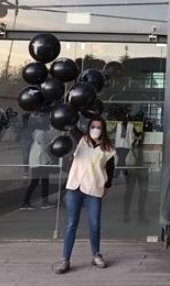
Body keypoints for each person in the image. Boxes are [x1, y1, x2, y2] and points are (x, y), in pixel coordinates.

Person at [53, 117, 116, 275]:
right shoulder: (80, 140)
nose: (96, 129)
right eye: (93, 126)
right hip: (75, 187)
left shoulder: (108, 149)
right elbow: (70, 121)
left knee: (94, 224)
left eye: (99, 127)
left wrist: (106, 186)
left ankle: (96, 255)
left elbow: (110, 170)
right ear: (88, 127)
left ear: (103, 129)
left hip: (94, 189)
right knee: (70, 224)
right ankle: (65, 259)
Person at [20, 126, 58, 210]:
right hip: (40, 161)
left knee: (36, 182)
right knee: (43, 181)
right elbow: (45, 148)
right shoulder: (41, 134)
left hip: (37, 161)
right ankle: (43, 202)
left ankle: (26, 202)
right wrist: (51, 158)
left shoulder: (37, 133)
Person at [114, 115, 139, 181]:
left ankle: (116, 175)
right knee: (122, 160)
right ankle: (125, 174)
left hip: (122, 146)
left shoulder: (128, 125)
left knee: (121, 159)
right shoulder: (122, 125)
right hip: (122, 146)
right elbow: (137, 134)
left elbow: (136, 134)